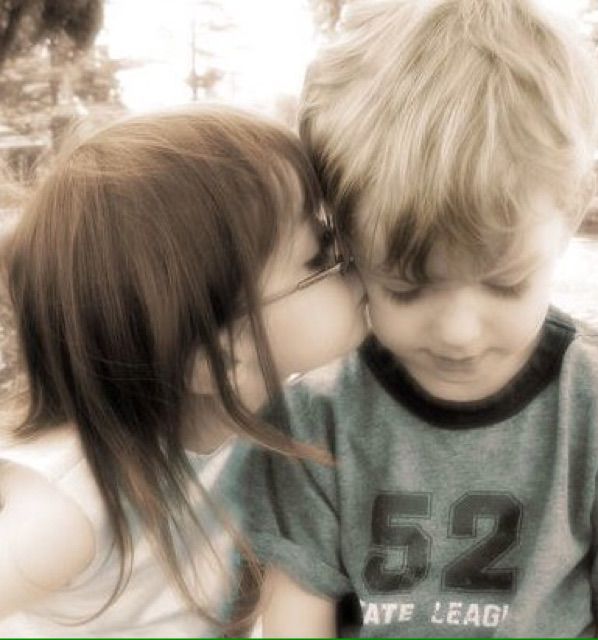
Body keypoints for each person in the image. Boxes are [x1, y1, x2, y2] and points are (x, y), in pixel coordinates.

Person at [234, 0, 598, 637]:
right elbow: (297, 615)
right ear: (347, 244)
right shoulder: (315, 418)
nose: (457, 333)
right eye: (405, 288)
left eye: (505, 283)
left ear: (573, 209)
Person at [0, 105, 365, 637]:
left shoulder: (272, 412)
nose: (356, 258)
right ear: (219, 358)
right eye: (321, 252)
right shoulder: (75, 505)